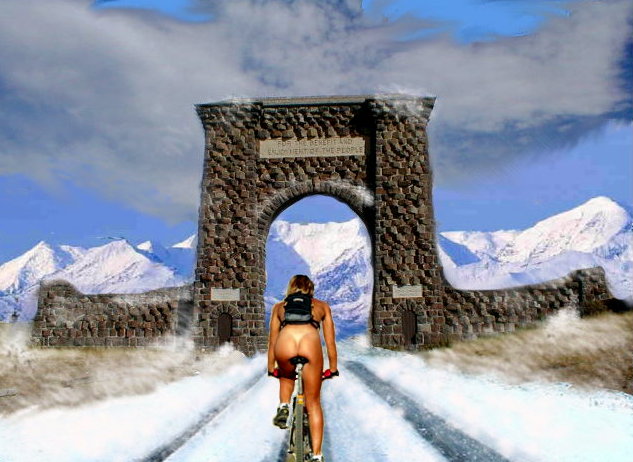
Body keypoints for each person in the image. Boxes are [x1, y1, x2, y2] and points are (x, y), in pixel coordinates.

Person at [267, 274, 338, 462]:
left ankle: (284, 406)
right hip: (309, 344)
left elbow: (272, 340)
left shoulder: (279, 307)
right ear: (310, 288)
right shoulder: (321, 306)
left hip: (285, 343)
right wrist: (332, 367)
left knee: (286, 376)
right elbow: (330, 342)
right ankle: (316, 456)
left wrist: (271, 367)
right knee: (313, 403)